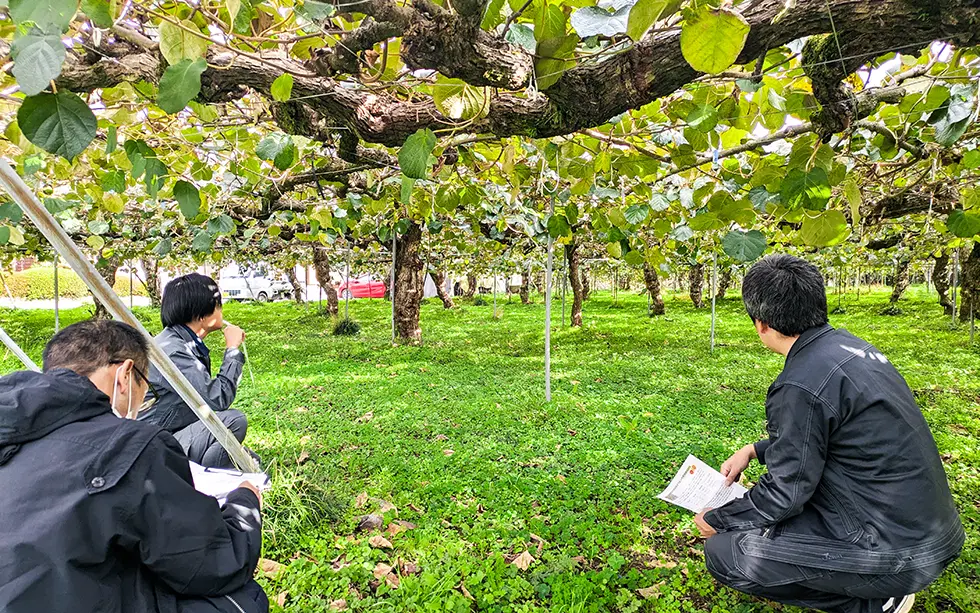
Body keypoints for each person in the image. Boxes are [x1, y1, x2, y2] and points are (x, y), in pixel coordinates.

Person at [694, 255, 963, 613]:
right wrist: (755, 450)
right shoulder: (853, 349)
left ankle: (877, 602)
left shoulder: (799, 385)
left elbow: (787, 494)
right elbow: (830, 435)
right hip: (931, 534)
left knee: (727, 552)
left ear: (760, 324)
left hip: (894, 552)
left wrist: (718, 519)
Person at [0, 320, 268, 613]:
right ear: (126, 375)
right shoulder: (130, 443)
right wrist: (245, 500)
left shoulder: (14, 426)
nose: (141, 404)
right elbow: (214, 563)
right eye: (146, 388)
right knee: (244, 599)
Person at [140, 273, 253, 468]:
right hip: (153, 446)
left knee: (246, 458)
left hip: (168, 433)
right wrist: (232, 350)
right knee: (234, 422)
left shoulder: (180, 342)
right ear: (202, 313)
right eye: (218, 305)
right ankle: (207, 481)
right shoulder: (173, 351)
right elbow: (216, 400)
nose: (221, 310)